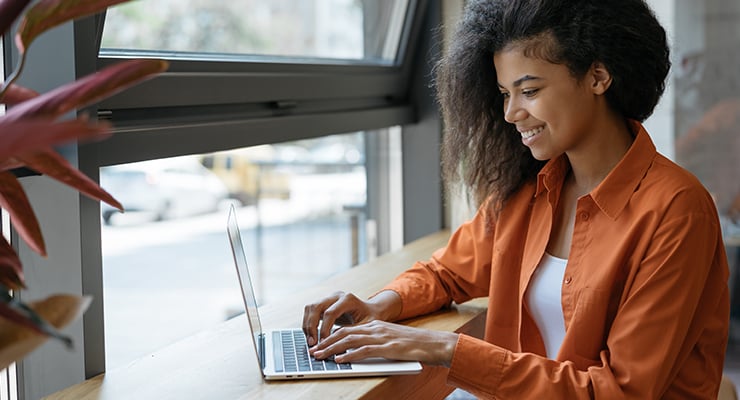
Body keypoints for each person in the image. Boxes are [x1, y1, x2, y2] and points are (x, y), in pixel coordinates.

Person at [302, 0, 731, 398]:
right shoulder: (529, 190)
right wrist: (380, 305)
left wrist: (446, 348)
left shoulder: (677, 210)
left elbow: (619, 391)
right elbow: (448, 272)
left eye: (530, 91)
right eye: (506, 94)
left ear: (598, 77)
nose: (511, 114)